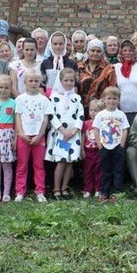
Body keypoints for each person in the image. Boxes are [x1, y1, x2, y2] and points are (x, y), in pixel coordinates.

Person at [45, 68, 84, 200]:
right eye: (66, 80)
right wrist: (62, 130)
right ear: (60, 81)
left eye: (71, 80)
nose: (68, 83)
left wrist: (74, 131)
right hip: (61, 134)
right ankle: (56, 189)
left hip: (73, 135)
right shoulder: (54, 97)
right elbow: (52, 115)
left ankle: (65, 188)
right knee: (61, 161)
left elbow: (81, 115)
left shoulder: (76, 98)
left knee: (70, 162)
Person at [14, 70, 53, 203]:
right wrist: (21, 134)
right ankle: (20, 191)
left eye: (36, 81)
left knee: (39, 165)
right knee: (22, 164)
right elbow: (18, 117)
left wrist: (39, 135)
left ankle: (40, 191)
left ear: (40, 82)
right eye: (30, 81)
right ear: (25, 83)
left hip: (38, 137)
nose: (33, 83)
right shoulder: (20, 99)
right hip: (23, 137)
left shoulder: (44, 100)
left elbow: (45, 119)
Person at [92, 86, 130, 204]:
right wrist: (100, 145)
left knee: (118, 170)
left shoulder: (121, 115)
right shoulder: (100, 115)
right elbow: (96, 130)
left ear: (119, 100)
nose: (112, 101)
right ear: (104, 99)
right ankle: (104, 192)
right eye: (109, 98)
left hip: (117, 146)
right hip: (104, 146)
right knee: (105, 170)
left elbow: (125, 129)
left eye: (114, 98)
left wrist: (122, 145)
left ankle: (117, 192)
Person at [40, 31, 77, 96]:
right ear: (51, 45)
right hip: (49, 98)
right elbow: (41, 85)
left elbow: (75, 85)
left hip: (67, 97)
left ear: (65, 44)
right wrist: (46, 100)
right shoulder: (45, 63)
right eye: (55, 44)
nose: (58, 46)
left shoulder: (72, 63)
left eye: (60, 44)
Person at [77, 38, 109, 114]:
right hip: (81, 107)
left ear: (102, 53)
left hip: (100, 108)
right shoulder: (79, 66)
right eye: (93, 50)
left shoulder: (108, 68)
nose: (95, 53)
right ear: (88, 51)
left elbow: (111, 88)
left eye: (98, 51)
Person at [81, 99, 104, 198]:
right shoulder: (86, 123)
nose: (93, 113)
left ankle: (98, 189)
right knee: (87, 171)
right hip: (88, 150)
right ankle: (88, 189)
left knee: (99, 170)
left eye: (96, 111)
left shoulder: (103, 123)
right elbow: (83, 136)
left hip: (98, 150)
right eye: (91, 110)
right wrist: (82, 149)